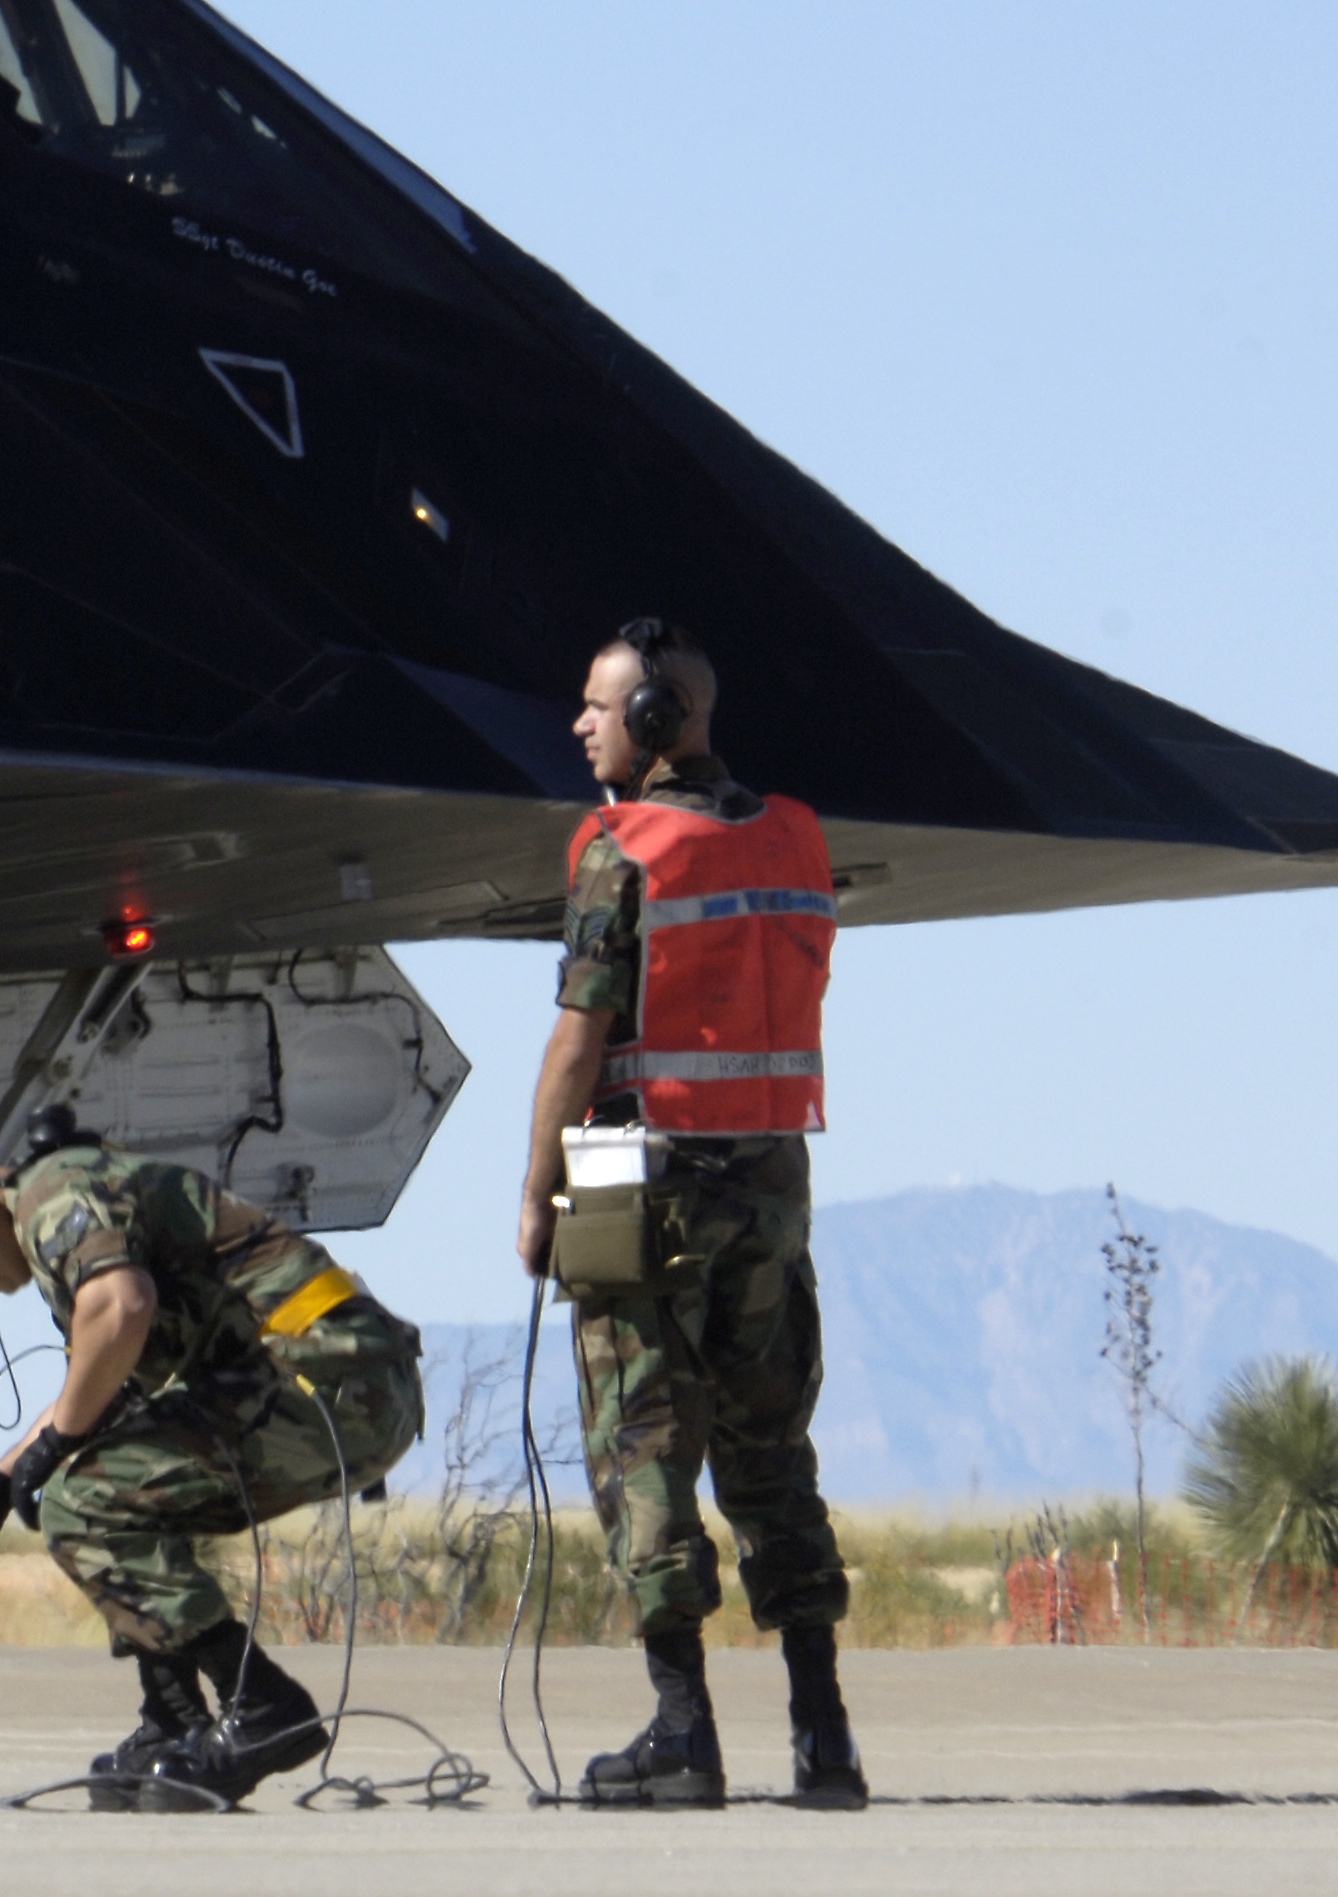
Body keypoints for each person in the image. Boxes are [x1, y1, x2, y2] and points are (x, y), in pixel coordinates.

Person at [515, 619, 867, 1811]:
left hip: (638, 1174)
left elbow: (578, 1038)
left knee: (644, 1445)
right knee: (770, 1448)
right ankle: (823, 1736)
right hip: (770, 1179)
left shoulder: (620, 845)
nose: (579, 723)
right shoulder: (795, 836)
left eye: (597, 704)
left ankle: (681, 1731)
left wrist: (535, 1194)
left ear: (653, 720)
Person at [0, 1122, 423, 1806]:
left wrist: (55, 1450)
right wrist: (1, 1478)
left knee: (85, 1499)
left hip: (332, 1379)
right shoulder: (59, 1213)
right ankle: (173, 1719)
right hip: (331, 1381)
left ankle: (261, 1706)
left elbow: (121, 1309)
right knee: (112, 1488)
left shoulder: (55, 1199)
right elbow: (111, 1376)